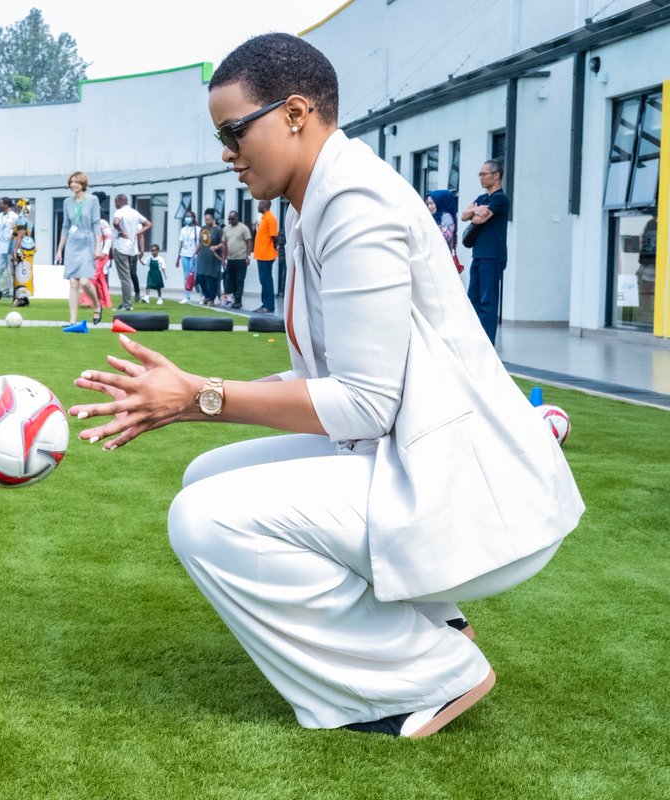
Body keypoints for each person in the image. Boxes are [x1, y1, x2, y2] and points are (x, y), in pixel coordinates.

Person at [69, 32, 583, 738]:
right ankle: (433, 623)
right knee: (204, 478)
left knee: (205, 519)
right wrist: (192, 398)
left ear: (296, 112)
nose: (226, 150)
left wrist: (200, 395)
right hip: (424, 460)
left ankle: (424, 679)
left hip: (464, 489)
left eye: (233, 130)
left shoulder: (355, 203)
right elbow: (326, 381)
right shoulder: (322, 198)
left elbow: (364, 406)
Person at [462, 161, 509, 344]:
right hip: (479, 254)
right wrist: (475, 209)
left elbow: (479, 220)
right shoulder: (482, 199)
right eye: (479, 174)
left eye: (484, 174)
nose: (481, 178)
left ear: (496, 175)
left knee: (487, 301)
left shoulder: (499, 199)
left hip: (493, 255)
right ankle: (474, 340)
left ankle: (487, 344)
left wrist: (474, 213)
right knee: (472, 300)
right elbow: (464, 215)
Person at [54, 171, 104, 326]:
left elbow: (96, 224)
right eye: (72, 182)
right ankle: (72, 321)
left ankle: (97, 305)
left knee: (83, 281)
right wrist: (60, 249)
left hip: (88, 242)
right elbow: (65, 226)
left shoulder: (92, 200)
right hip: (72, 244)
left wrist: (98, 247)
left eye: (77, 182)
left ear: (83, 184)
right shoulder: (67, 202)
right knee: (73, 283)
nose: (73, 184)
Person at [111, 194, 151, 310]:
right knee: (128, 276)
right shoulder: (135, 212)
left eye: (115, 202)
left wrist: (119, 231)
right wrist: (138, 233)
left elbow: (115, 222)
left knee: (125, 277)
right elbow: (148, 224)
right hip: (132, 249)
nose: (115, 205)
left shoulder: (119, 212)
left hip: (121, 248)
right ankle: (125, 302)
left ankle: (127, 304)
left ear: (119, 201)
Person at [252, 199, 279, 313]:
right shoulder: (263, 218)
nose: (258, 206)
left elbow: (275, 237)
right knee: (264, 281)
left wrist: (273, 249)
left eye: (259, 204)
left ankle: (269, 306)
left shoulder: (270, 218)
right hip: (261, 255)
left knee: (267, 280)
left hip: (266, 256)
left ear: (264, 205)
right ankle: (264, 304)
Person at [222, 209, 253, 309]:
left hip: (241, 258)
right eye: (229, 219)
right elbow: (224, 244)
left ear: (237, 218)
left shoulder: (243, 228)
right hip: (230, 258)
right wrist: (223, 259)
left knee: (240, 280)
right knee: (231, 280)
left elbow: (249, 242)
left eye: (232, 218)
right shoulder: (226, 229)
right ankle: (235, 298)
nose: (230, 220)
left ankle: (238, 301)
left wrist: (248, 256)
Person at [194, 209, 225, 305]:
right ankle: (206, 296)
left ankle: (212, 298)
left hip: (213, 257)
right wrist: (195, 253)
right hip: (202, 256)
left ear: (213, 219)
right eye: (205, 220)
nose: (207, 222)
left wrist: (223, 258)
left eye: (208, 220)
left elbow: (223, 244)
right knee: (199, 276)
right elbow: (200, 242)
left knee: (210, 278)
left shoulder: (218, 230)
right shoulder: (203, 229)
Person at [427, 189, 461, 273]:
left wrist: (434, 228)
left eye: (432, 203)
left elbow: (446, 237)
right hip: (432, 258)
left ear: (440, 202)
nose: (429, 207)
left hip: (441, 260)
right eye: (428, 204)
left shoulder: (446, 217)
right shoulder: (432, 217)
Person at [176, 211, 200, 304]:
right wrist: (178, 258)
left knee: (194, 276)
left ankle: (201, 294)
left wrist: (196, 254)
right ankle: (187, 296)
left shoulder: (198, 229)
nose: (187, 218)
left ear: (193, 218)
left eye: (189, 216)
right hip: (184, 255)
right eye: (186, 216)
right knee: (186, 276)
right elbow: (181, 244)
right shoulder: (183, 230)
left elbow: (199, 243)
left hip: (193, 255)